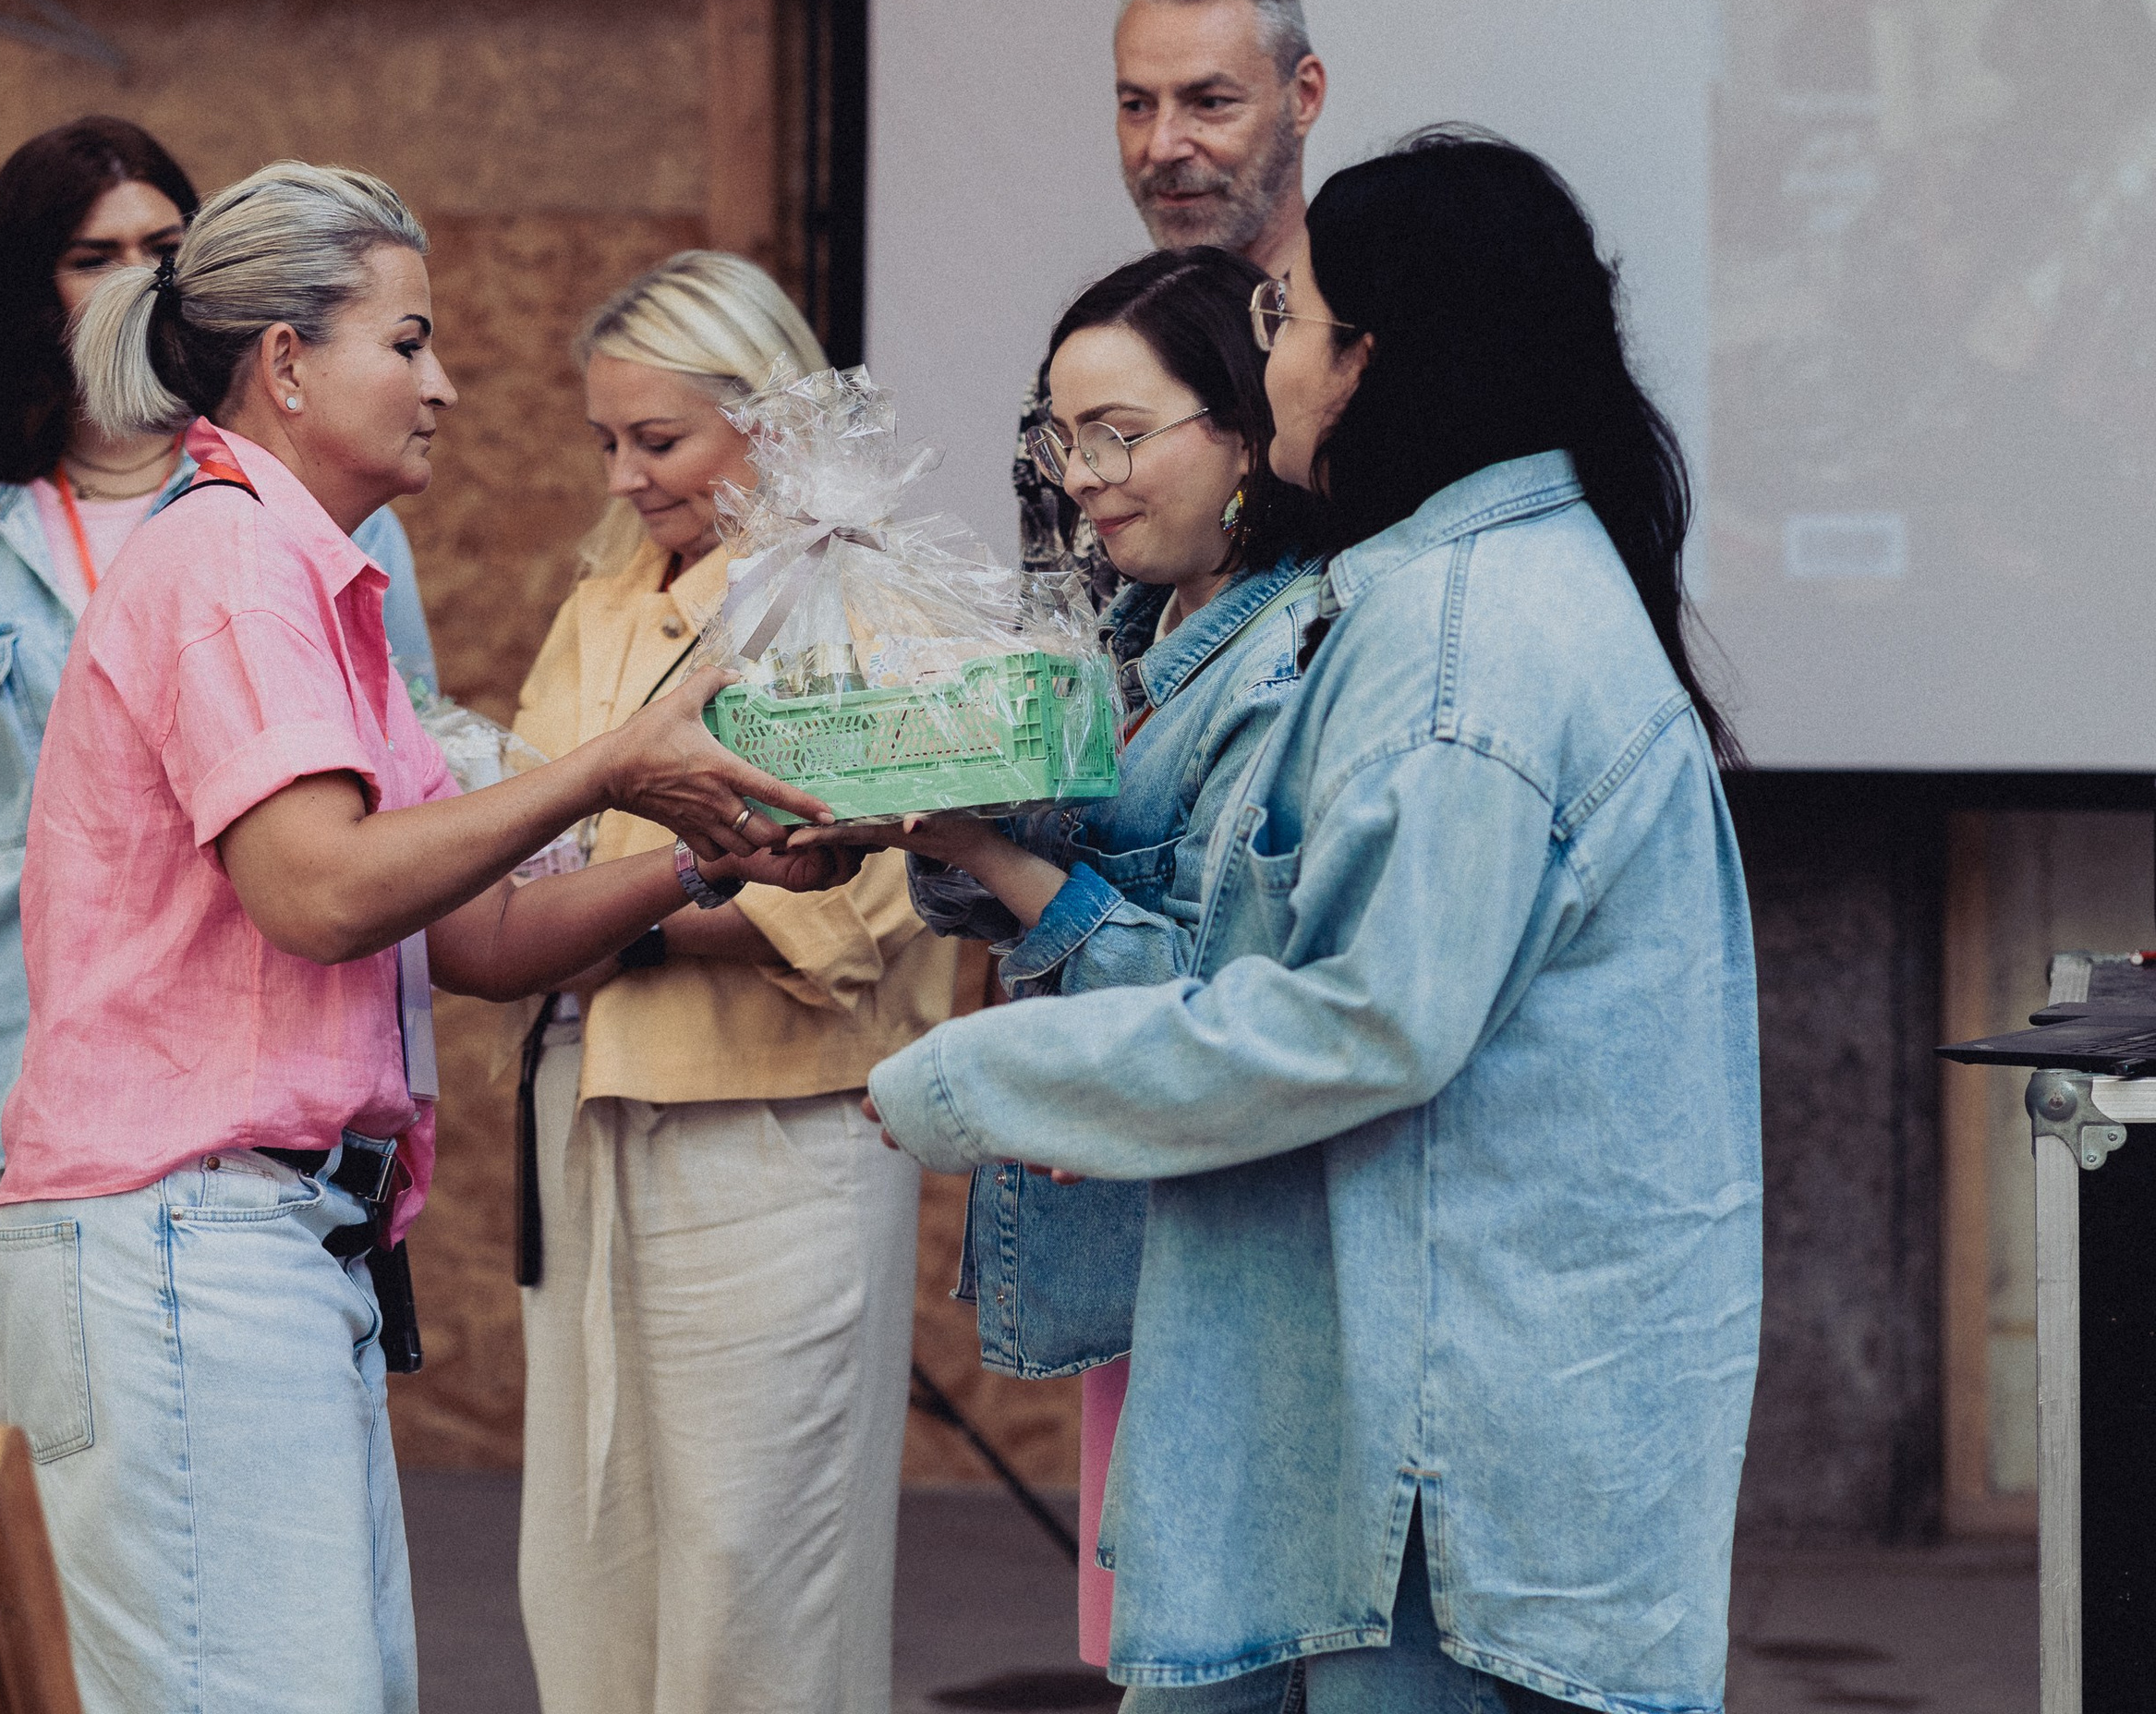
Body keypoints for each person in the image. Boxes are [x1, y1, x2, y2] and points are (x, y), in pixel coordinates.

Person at [865, 130, 1761, 1713]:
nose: (1263, 348)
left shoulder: (1458, 643)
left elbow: (1362, 1017)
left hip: (1440, 1465)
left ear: (1367, 361)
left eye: (1282, 317)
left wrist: (975, 1079)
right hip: (1381, 1425)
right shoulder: (1447, 592)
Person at [0, 165, 836, 1714]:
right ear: (286, 360)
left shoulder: (320, 582)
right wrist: (605, 762)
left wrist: (702, 860)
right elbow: (319, 889)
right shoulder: (233, 561)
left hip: (264, 1249)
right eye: (408, 339)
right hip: (188, 1241)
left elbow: (487, 932)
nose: (444, 383)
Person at [0, 117, 434, 1431]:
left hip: (248, 1080)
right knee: (43, 1451)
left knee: (229, 1473)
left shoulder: (301, 494)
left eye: (162, 244)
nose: (129, 274)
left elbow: (407, 751)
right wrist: (71, 889)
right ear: (23, 284)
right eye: (88, 253)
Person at [804, 246, 1322, 1696]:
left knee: (1209, 1655)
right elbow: (1001, 892)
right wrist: (920, 796)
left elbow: (1228, 1013)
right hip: (1137, 1242)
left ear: (1244, 428)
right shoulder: (1115, 632)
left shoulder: (1292, 660)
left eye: (1120, 434)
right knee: (1146, 1650)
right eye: (1059, 436)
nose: (1083, 474)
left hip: (1228, 1255)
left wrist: (1001, 852)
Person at [510, 249, 956, 1714]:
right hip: (600, 1122)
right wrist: (670, 882)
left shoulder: (866, 600)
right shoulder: (606, 600)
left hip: (785, 1134)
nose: (629, 477)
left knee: (759, 1575)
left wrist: (613, 912)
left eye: (661, 441)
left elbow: (855, 890)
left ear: (765, 422)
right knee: (598, 1556)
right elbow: (522, 860)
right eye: (609, 443)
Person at [1018, 0, 1327, 604]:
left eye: (1210, 102)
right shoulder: (1083, 367)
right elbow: (1061, 634)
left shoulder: (1353, 359)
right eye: (1136, 105)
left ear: (1303, 96)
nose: (1161, 146)